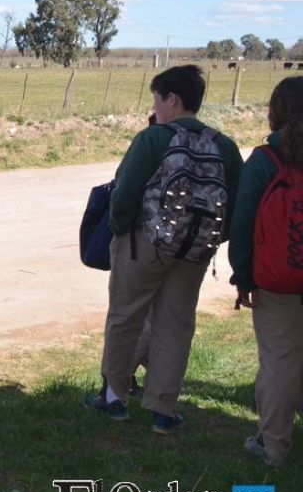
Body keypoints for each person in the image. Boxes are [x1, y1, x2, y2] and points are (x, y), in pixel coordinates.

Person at [85, 65, 244, 433]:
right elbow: (235, 203)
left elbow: (124, 192)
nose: (154, 108)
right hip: (195, 253)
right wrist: (209, 238)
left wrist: (121, 231)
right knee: (176, 325)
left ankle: (113, 398)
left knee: (125, 317)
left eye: (156, 99)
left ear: (172, 99)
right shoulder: (224, 145)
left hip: (144, 244)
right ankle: (164, 410)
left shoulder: (154, 139)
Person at [230, 76, 303, 465]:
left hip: (277, 280)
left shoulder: (264, 160)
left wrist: (243, 277)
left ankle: (273, 445)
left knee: (279, 358)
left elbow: (242, 223)